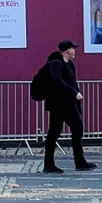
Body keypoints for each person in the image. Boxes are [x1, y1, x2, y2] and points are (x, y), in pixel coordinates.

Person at [41, 39, 96, 175]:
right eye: (73, 48)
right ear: (67, 50)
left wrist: (75, 95)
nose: (75, 51)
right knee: (61, 131)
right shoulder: (55, 64)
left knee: (62, 131)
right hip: (59, 104)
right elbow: (57, 82)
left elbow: (71, 82)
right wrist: (74, 93)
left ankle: (77, 162)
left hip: (67, 103)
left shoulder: (69, 64)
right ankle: (51, 164)